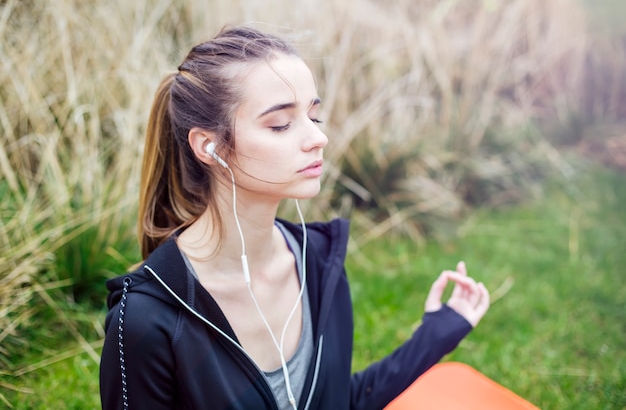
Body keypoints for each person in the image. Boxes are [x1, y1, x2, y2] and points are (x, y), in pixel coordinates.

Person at [99, 25, 490, 410]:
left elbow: (337, 401)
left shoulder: (319, 263)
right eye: (281, 124)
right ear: (210, 146)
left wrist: (436, 333)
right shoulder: (146, 321)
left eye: (314, 117)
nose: (317, 138)